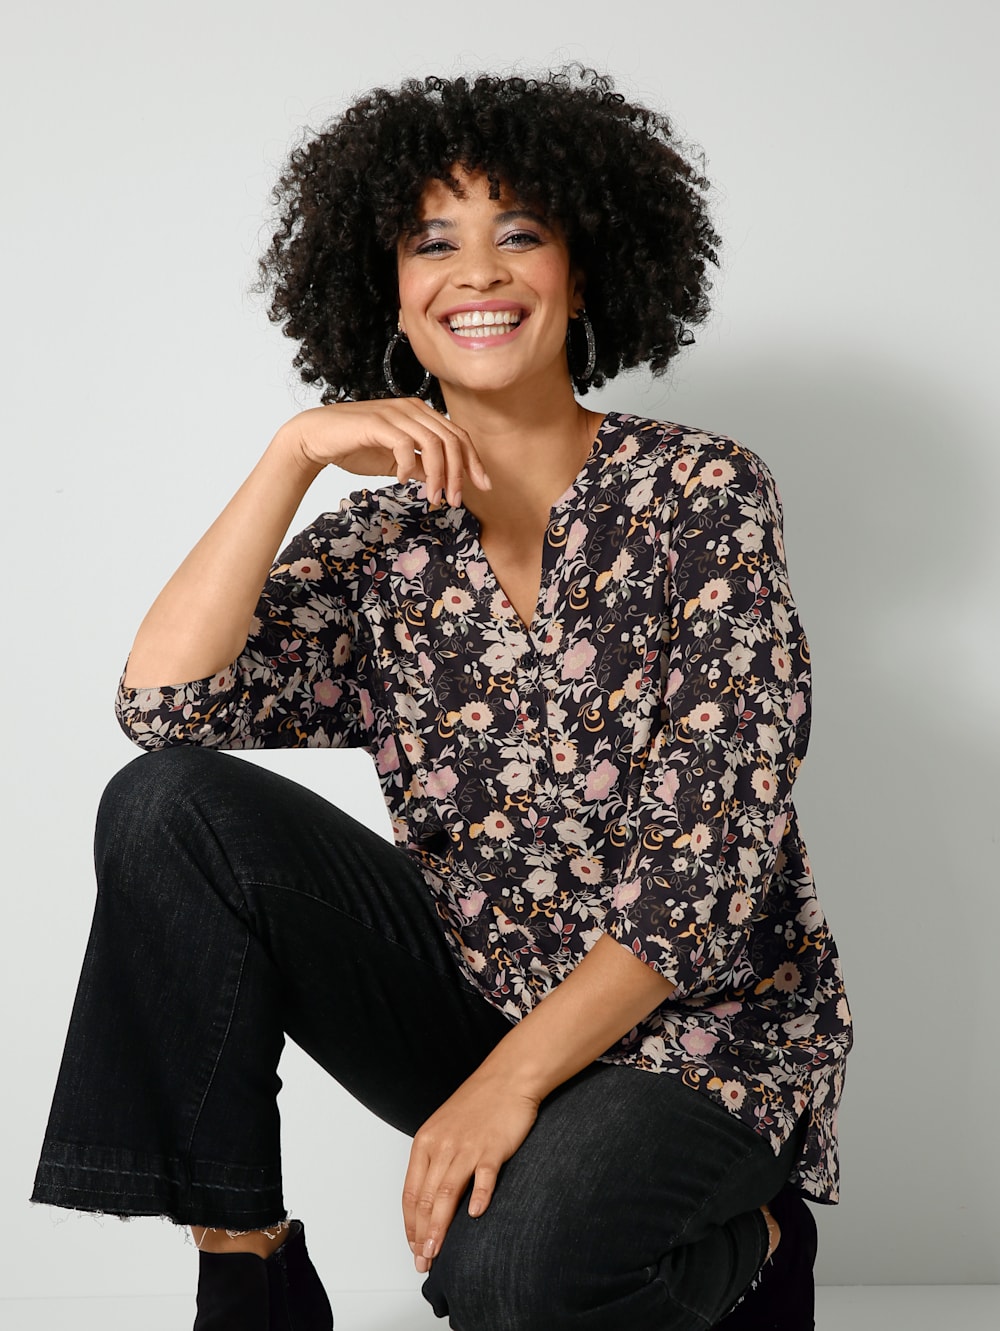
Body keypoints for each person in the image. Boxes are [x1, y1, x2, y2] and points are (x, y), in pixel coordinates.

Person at [31, 68, 853, 1331]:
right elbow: (166, 710)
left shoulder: (700, 491)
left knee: (504, 1284)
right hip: (476, 992)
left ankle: (752, 1241)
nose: (477, 272)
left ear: (584, 273)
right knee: (167, 805)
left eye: (518, 234)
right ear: (392, 296)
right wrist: (292, 454)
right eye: (433, 244)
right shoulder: (379, 544)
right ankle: (246, 1269)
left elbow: (705, 870)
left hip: (698, 1033)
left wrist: (504, 1089)